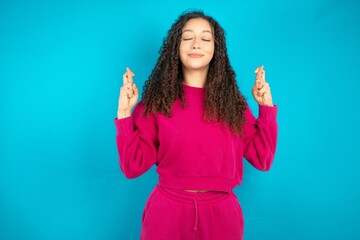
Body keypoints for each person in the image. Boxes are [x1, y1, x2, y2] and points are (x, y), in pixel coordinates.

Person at [114, 10, 278, 240]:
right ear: (176, 47)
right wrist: (124, 113)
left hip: (222, 216)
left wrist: (266, 108)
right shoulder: (157, 102)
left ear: (216, 49)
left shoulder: (233, 103)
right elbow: (132, 167)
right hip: (167, 213)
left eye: (206, 38)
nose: (196, 44)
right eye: (187, 37)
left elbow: (263, 159)